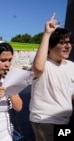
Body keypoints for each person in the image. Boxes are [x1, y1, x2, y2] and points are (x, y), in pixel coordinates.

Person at [29, 13, 74, 141]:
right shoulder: (43, 64)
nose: (68, 46)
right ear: (50, 46)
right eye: (62, 43)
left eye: (69, 43)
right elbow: (37, 68)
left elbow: (71, 93)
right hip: (45, 121)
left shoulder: (72, 66)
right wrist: (47, 34)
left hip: (65, 121)